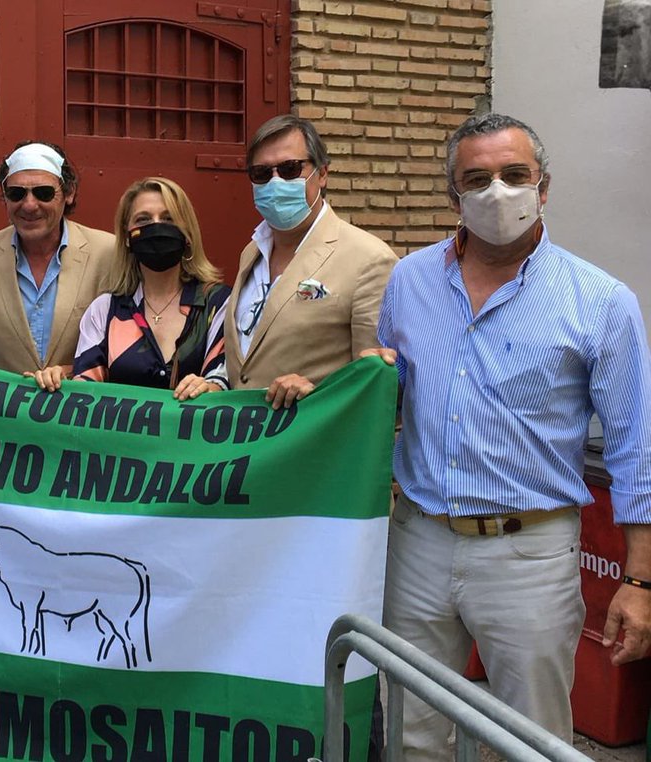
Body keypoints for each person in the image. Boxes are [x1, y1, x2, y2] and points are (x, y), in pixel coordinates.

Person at [363, 113, 651, 759]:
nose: (498, 193)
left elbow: (637, 446)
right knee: (411, 724)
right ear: (453, 196)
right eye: (478, 179)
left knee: (533, 737)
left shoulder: (601, 301)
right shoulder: (409, 282)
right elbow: (387, 390)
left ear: (543, 186)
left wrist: (640, 582)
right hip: (418, 541)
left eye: (514, 175)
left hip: (530, 553)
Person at [224, 115, 396, 408]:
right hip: (246, 445)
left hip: (314, 445)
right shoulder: (251, 252)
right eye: (262, 174)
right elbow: (245, 361)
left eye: (290, 169)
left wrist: (315, 391)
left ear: (322, 173)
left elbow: (377, 383)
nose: (276, 182)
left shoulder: (369, 259)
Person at [40, 176, 228, 400]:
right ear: (127, 236)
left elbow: (225, 380)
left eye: (169, 219)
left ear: (187, 233)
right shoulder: (105, 310)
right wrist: (58, 379)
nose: (156, 226)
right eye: (143, 219)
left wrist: (209, 388)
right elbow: (84, 391)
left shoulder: (219, 303)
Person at [0, 141, 117, 377]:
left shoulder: (107, 253)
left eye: (43, 193)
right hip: (7, 410)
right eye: (16, 194)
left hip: (83, 407)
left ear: (69, 193)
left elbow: (123, 350)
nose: (30, 205)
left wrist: (73, 373)